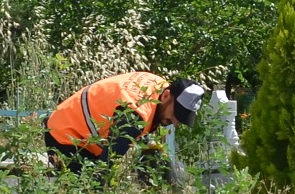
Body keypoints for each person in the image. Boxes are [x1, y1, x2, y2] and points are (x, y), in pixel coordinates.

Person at [44, 71, 208, 167]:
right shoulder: (135, 115)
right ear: (166, 96)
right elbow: (107, 163)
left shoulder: (159, 84)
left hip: (75, 131)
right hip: (64, 138)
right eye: (176, 114)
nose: (176, 122)